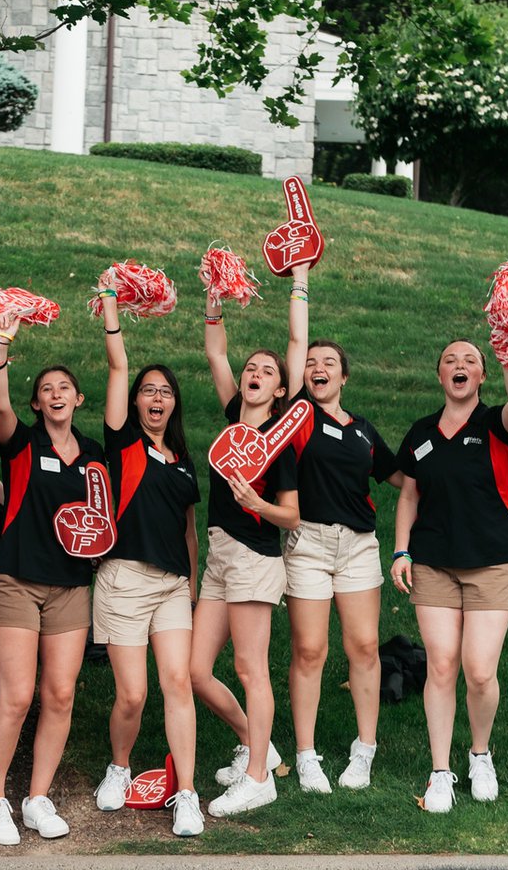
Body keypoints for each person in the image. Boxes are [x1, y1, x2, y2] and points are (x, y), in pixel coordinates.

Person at [389, 338, 508, 813]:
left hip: (492, 562)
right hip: (432, 563)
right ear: (440, 375)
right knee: (442, 665)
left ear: (482, 376)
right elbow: (408, 495)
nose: (460, 365)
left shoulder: (496, 424)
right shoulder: (422, 432)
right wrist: (401, 550)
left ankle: (480, 754)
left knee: (479, 670)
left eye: (470, 360)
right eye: (449, 359)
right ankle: (440, 771)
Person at [0, 313, 104, 845]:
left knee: (60, 694)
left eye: (64, 388)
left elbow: (105, 521)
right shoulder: (23, 444)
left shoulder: (95, 455)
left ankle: (37, 798)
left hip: (72, 587)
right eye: (46, 389)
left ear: (77, 399)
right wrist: (0, 344)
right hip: (16, 582)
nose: (55, 394)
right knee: (18, 696)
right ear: (37, 404)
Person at [282, 263, 402, 793]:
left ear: (344, 376)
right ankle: (306, 756)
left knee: (365, 648)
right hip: (307, 543)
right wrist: (301, 279)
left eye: (329, 362)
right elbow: (295, 338)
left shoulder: (364, 431)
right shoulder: (298, 416)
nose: (318, 367)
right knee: (310, 650)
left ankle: (364, 750)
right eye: (311, 364)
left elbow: (405, 478)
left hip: (358, 548)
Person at [90, 286, 204, 836]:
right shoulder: (123, 444)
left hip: (173, 589)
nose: (157, 399)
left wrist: (193, 589)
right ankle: (119, 768)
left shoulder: (184, 463)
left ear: (174, 404)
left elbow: (189, 533)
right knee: (133, 693)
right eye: (148, 392)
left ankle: (186, 795)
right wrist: (112, 309)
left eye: (166, 393)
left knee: (177, 684)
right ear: (135, 403)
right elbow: (118, 365)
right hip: (124, 579)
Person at [191, 294, 299, 818]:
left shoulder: (281, 443)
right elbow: (215, 353)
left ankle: (259, 778)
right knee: (195, 670)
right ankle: (256, 743)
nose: (254, 373)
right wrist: (213, 304)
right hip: (218, 555)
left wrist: (258, 503)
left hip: (256, 555)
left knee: (250, 668)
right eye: (251, 368)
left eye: (266, 371)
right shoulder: (235, 416)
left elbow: (292, 516)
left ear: (279, 390)